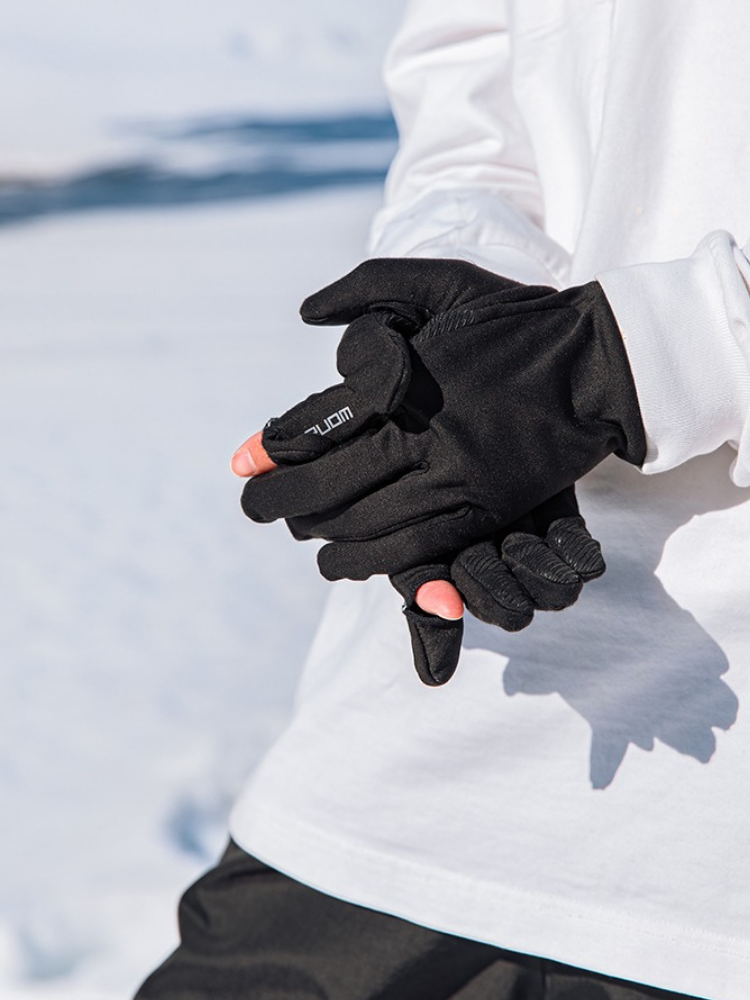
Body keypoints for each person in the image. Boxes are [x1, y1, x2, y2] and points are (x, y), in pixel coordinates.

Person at [135, 2, 750, 998]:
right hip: (427, 748)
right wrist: (461, 305)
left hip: (716, 872)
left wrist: (635, 357)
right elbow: (477, 60)